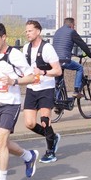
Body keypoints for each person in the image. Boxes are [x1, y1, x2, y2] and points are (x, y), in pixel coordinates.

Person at [0, 23, 40, 180]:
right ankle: (28, 156)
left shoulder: (15, 55)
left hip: (11, 103)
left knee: (0, 140)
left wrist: (13, 81)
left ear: (3, 37)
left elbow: (32, 77)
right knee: (3, 142)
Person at [21, 20, 63, 163]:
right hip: (32, 88)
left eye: (30, 31)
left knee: (45, 120)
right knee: (29, 123)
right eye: (26, 31)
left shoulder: (47, 48)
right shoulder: (25, 48)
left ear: (38, 31)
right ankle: (53, 137)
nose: (27, 33)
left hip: (46, 88)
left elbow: (58, 71)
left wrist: (43, 72)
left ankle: (50, 151)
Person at [51, 16, 91, 97]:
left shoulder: (57, 32)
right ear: (71, 24)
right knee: (79, 68)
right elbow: (82, 44)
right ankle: (76, 90)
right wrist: (90, 55)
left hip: (55, 61)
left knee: (58, 82)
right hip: (64, 60)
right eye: (74, 25)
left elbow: (61, 45)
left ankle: (57, 101)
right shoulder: (71, 32)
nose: (74, 27)